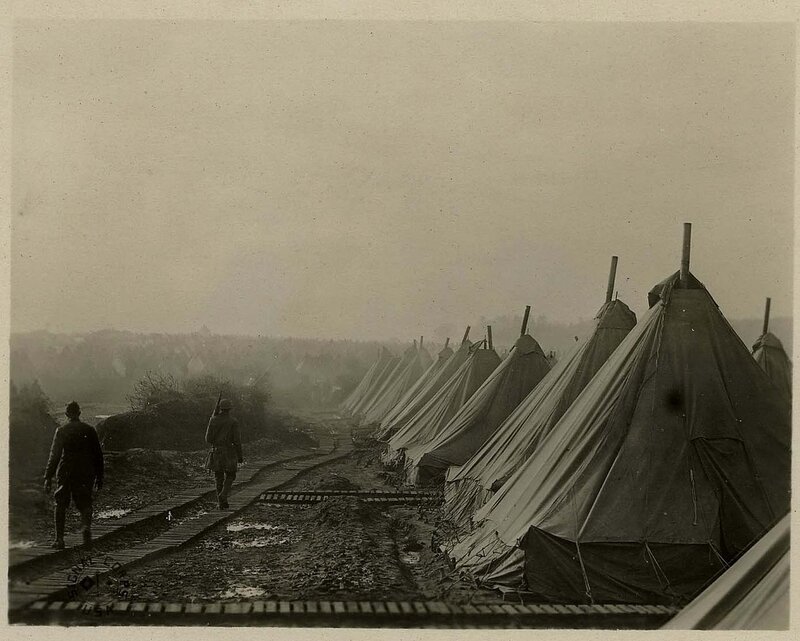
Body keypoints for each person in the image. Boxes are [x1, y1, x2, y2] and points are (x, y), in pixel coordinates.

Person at [43, 401, 104, 549]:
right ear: (79, 413)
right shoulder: (89, 430)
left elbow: (55, 456)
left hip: (66, 471)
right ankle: (86, 529)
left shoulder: (62, 430)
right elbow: (98, 454)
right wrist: (100, 475)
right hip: (85, 471)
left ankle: (59, 539)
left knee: (60, 503)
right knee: (85, 502)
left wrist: (48, 477)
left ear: (66, 414)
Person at [204, 398, 243, 509]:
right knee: (231, 474)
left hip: (216, 452)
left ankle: (221, 503)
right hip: (229, 452)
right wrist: (240, 456)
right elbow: (237, 441)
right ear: (230, 409)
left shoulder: (213, 420)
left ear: (220, 408)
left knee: (218, 477)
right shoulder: (233, 421)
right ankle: (224, 495)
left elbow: (208, 439)